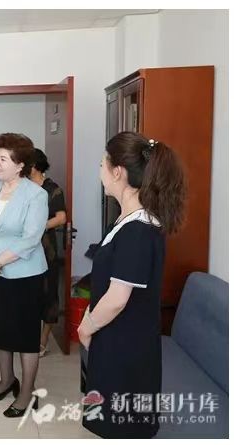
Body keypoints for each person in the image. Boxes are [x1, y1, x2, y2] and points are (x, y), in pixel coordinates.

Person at [78, 132, 186, 438]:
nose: (99, 171)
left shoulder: (138, 230)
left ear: (118, 172)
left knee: (122, 425)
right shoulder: (127, 220)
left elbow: (117, 299)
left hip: (126, 344)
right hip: (116, 337)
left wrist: (86, 327)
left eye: (102, 164)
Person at [0, 133, 48, 418]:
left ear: (20, 165)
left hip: (24, 276)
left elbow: (30, 239)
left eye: (3, 159)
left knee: (25, 335)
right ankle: (7, 380)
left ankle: (27, 393)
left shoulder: (35, 195)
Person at [29, 148, 67, 357]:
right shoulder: (22, 186)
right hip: (25, 248)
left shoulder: (52, 189)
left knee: (49, 293)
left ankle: (43, 340)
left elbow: (61, 218)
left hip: (46, 248)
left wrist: (39, 226)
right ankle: (27, 336)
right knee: (29, 293)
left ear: (35, 166)